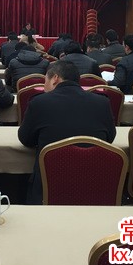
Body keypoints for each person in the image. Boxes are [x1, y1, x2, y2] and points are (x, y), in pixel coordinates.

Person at [18, 61, 116, 205]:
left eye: (45, 80)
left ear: (55, 78)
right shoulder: (102, 102)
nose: (44, 86)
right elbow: (109, 138)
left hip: (48, 186)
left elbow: (25, 139)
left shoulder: (39, 102)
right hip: (94, 182)